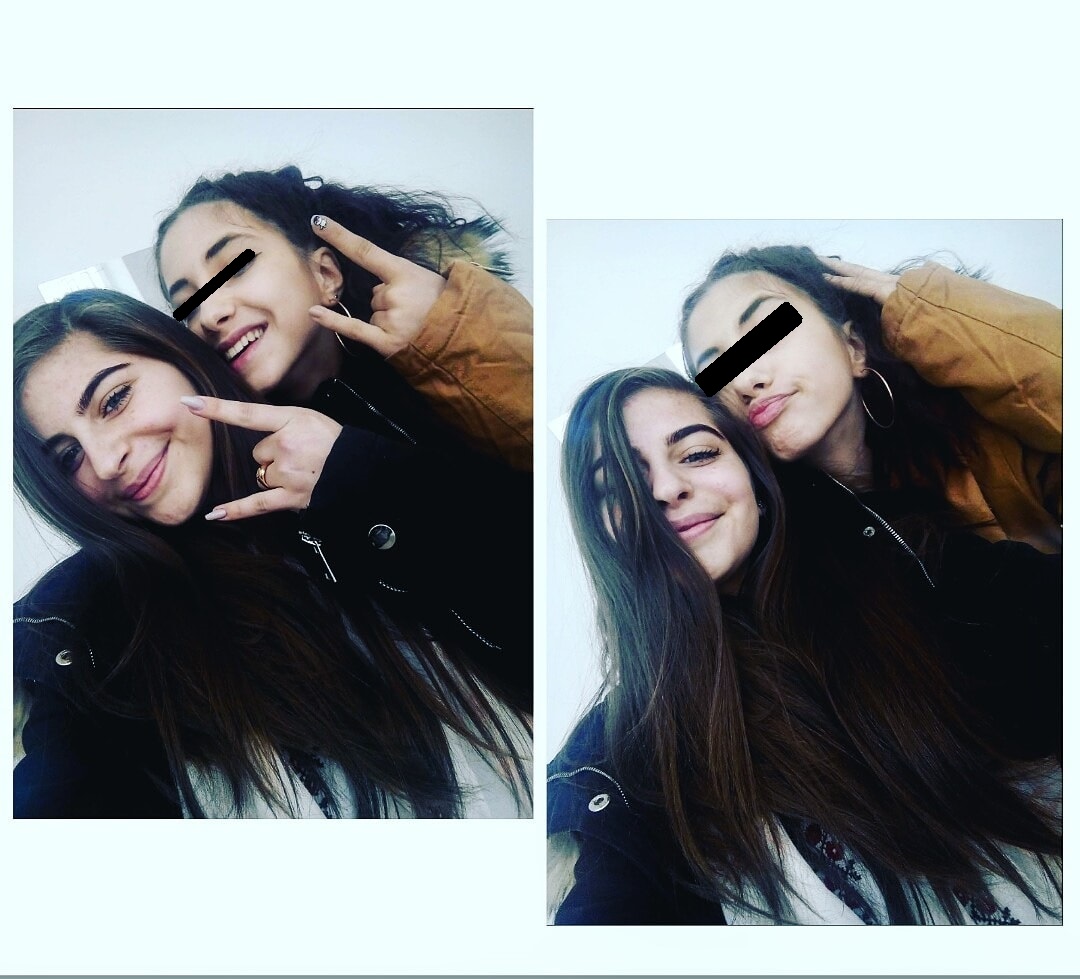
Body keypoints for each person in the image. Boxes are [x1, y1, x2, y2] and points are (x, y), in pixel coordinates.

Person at [548, 368, 1060, 924]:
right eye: (616, 485)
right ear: (602, 533)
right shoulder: (616, 764)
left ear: (754, 476)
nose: (666, 489)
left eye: (696, 454)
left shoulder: (913, 570)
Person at [14, 290, 531, 818]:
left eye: (114, 400)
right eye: (68, 457)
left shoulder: (362, 430)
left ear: (182, 359)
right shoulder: (87, 629)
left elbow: (523, 610)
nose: (105, 463)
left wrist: (360, 475)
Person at [679, 247, 1062, 554]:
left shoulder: (981, 439)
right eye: (718, 370)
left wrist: (922, 311)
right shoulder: (767, 544)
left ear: (854, 348)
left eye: (767, 332)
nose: (745, 380)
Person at [154, 165, 532, 475]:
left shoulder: (439, 342)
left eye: (235, 267)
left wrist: (447, 335)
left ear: (325, 275)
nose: (210, 315)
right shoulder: (244, 462)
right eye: (189, 305)